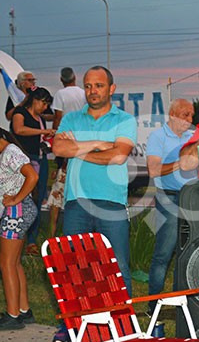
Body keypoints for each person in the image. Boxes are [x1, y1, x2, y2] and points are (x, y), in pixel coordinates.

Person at [53, 66, 137, 288]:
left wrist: (77, 149)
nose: (93, 91)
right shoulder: (71, 119)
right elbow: (59, 149)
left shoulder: (124, 120)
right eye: (88, 86)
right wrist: (98, 144)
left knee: (117, 268)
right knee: (75, 269)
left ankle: (120, 313)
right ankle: (79, 313)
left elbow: (118, 156)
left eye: (99, 85)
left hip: (111, 202)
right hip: (76, 202)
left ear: (112, 88)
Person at [0, 122, 38, 330]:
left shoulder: (11, 152)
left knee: (6, 263)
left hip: (16, 211)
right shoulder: (9, 151)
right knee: (14, 262)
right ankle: (23, 310)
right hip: (18, 210)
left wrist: (16, 199)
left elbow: (33, 176)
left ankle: (13, 314)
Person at [145, 98, 197, 309]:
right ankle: (153, 306)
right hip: (168, 198)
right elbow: (153, 170)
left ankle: (182, 307)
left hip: (192, 197)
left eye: (192, 115)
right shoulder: (158, 136)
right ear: (173, 114)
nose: (190, 119)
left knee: (188, 254)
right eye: (185, 115)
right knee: (164, 253)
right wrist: (180, 164)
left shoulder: (193, 137)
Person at [10, 87, 55, 255]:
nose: (45, 107)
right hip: (25, 159)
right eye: (43, 103)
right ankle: (17, 235)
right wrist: (43, 131)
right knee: (23, 198)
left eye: (47, 105)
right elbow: (19, 129)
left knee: (38, 197)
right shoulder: (20, 112)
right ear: (34, 100)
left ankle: (32, 239)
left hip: (40, 158)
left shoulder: (40, 118)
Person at [47, 68, 86, 239]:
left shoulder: (60, 94)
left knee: (58, 189)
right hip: (81, 143)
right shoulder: (83, 94)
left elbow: (58, 116)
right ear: (75, 78)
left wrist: (55, 135)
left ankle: (52, 233)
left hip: (65, 143)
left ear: (61, 80)